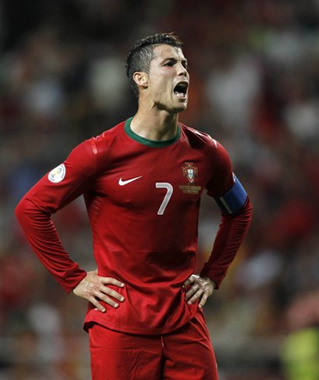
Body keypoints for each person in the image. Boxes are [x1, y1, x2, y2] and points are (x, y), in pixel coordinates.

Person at [15, 32, 252, 380]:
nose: (182, 71)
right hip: (120, 324)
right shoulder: (99, 153)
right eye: (169, 63)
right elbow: (31, 209)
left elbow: (239, 210)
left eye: (185, 64)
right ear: (140, 79)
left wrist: (213, 275)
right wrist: (73, 279)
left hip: (184, 321)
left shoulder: (207, 154)